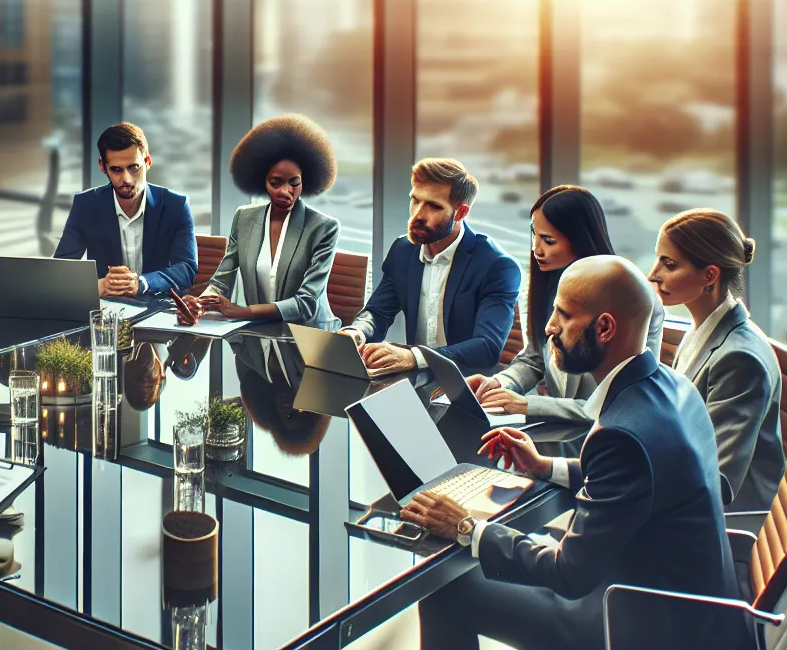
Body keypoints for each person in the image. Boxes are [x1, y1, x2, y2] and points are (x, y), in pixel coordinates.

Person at [365, 256, 744, 650]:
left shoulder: (622, 431)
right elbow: (639, 481)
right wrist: (545, 466)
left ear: (605, 329)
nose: (546, 328)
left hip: (642, 633)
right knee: (514, 542)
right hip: (695, 609)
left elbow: (571, 573)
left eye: (563, 316)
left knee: (450, 588)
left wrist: (464, 527)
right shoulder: (667, 386)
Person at [467, 185, 664, 421]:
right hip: (558, 430)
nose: (536, 250)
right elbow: (534, 358)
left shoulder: (630, 297)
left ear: (580, 241)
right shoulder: (538, 287)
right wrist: (501, 384)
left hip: (603, 430)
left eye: (549, 241)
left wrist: (529, 405)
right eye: (534, 235)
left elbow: (620, 401)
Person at [648, 209, 784, 512]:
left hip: (724, 522)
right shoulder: (703, 328)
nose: (653, 274)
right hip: (683, 492)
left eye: (668, 264)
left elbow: (718, 481)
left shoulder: (740, 359)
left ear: (710, 275)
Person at [342, 159, 520, 377]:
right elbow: (378, 312)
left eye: (434, 206)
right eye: (415, 200)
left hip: (468, 382)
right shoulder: (402, 250)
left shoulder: (496, 265)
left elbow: (487, 347)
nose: (417, 215)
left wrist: (414, 357)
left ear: (460, 213)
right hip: (415, 378)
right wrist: (357, 332)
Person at [187, 114, 341, 329]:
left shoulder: (323, 228)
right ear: (262, 180)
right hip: (259, 334)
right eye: (275, 183)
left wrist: (243, 312)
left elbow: (306, 303)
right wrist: (200, 304)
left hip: (308, 336)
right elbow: (222, 279)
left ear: (306, 181)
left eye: (294, 183)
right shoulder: (244, 218)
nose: (285, 191)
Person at [54, 122, 198, 298]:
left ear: (147, 162)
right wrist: (97, 285)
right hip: (107, 310)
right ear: (103, 167)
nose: (127, 179)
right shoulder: (86, 205)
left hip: (157, 308)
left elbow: (186, 270)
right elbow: (60, 269)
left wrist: (142, 284)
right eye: (116, 170)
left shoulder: (176, 206)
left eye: (133, 167)